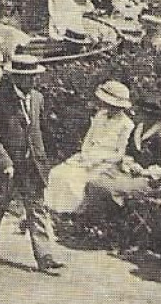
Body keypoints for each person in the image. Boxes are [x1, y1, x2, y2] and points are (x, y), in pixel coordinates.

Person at [0, 54, 65, 273]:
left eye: (34, 77)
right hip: (8, 166)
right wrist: (5, 162)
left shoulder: (37, 98)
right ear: (15, 77)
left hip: (32, 166)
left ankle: (44, 256)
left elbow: (41, 130)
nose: (32, 81)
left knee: (37, 210)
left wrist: (48, 158)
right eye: (27, 77)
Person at [45, 80, 135, 214]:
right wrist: (85, 154)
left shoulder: (126, 124)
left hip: (107, 162)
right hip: (88, 155)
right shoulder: (100, 115)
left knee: (74, 179)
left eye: (111, 105)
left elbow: (120, 153)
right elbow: (88, 139)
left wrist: (98, 160)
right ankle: (54, 210)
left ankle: (72, 212)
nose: (105, 106)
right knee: (58, 173)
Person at [81, 92, 161, 212]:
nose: (138, 115)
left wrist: (143, 171)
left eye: (142, 113)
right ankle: (93, 210)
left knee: (107, 185)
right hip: (129, 171)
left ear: (153, 117)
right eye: (139, 112)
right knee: (97, 176)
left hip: (150, 180)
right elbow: (128, 151)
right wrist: (129, 163)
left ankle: (111, 213)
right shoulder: (137, 128)